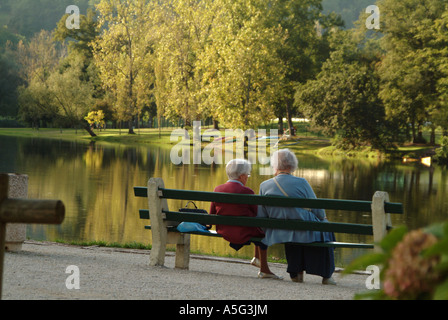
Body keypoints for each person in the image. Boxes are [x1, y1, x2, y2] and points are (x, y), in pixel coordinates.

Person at [258, 149, 336, 285]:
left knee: (294, 231)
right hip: (303, 227)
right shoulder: (301, 182)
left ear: (275, 165)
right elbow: (317, 208)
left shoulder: (264, 185)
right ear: (292, 164)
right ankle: (326, 275)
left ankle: (296, 273)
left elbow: (261, 214)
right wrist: (323, 219)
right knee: (324, 229)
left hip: (280, 230)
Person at [209, 159, 282, 280]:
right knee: (263, 231)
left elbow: (212, 214)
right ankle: (264, 269)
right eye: (247, 175)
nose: (247, 177)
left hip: (224, 230)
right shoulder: (247, 191)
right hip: (242, 231)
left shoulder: (218, 189)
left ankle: (257, 259)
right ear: (242, 176)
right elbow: (255, 213)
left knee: (256, 226)